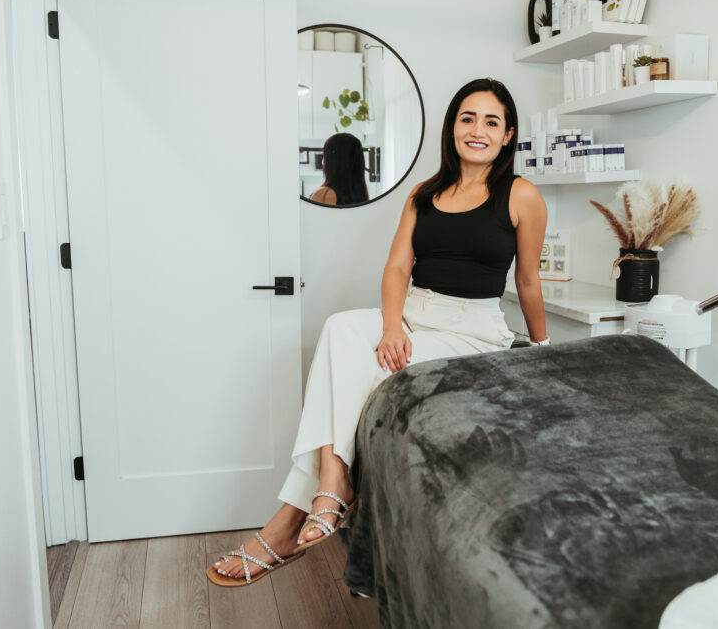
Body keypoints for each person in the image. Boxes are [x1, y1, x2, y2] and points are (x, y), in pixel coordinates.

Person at [208, 78, 549, 585]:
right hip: (413, 312)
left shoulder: (521, 195)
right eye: (467, 118)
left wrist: (542, 351)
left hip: (470, 328)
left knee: (358, 363)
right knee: (340, 329)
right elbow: (396, 269)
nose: (477, 130)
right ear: (452, 127)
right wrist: (392, 326)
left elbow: (527, 279)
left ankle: (291, 517)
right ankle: (333, 477)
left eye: (491, 122)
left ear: (507, 135)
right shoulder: (424, 192)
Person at [309, 132, 370, 206]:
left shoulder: (324, 194)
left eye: (325, 156)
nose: (322, 161)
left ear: (332, 161)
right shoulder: (361, 195)